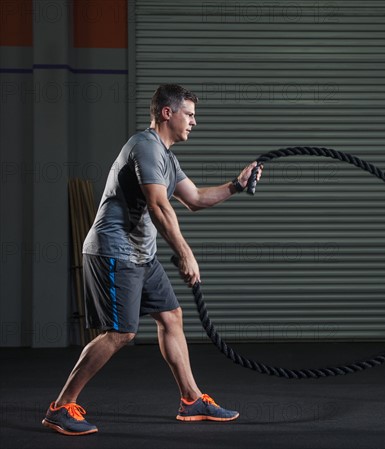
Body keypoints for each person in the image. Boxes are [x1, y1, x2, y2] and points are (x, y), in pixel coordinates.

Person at [42, 84, 262, 436]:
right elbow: (159, 206)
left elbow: (195, 199)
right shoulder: (144, 147)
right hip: (114, 250)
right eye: (189, 114)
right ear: (167, 113)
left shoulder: (166, 157)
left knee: (172, 316)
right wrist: (186, 253)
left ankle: (191, 399)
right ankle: (60, 407)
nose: (194, 122)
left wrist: (236, 184)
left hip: (141, 255)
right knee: (120, 333)